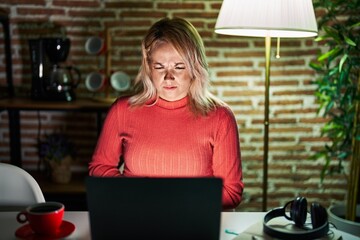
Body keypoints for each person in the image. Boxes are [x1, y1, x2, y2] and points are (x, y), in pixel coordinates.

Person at [89, 17, 244, 210]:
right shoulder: (122, 110)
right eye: (159, 67)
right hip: (136, 214)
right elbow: (99, 169)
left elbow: (231, 192)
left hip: (193, 220)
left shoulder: (220, 116)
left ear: (195, 68)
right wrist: (137, 194)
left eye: (179, 67)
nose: (168, 77)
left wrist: (175, 200)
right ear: (148, 68)